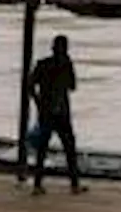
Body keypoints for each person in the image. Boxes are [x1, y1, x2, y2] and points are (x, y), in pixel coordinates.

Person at [27, 35, 86, 195]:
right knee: (69, 148)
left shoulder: (43, 64)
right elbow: (73, 86)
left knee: (42, 149)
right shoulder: (66, 65)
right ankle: (74, 185)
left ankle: (37, 185)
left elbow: (30, 86)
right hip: (61, 113)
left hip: (47, 112)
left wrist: (39, 103)